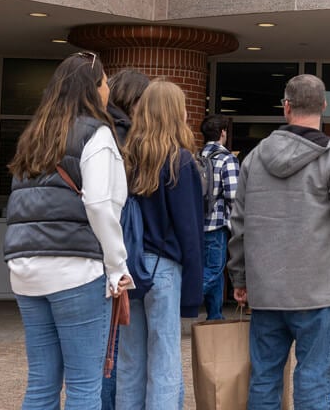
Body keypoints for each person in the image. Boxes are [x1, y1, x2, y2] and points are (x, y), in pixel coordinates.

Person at [228, 74, 330, 409]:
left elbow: (239, 223)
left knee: (264, 378)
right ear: (323, 105)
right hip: (318, 289)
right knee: (314, 380)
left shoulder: (255, 157)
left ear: (286, 107)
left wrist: (240, 277)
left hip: (266, 290)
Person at [4, 51, 132, 410]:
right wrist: (118, 266)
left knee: (41, 384)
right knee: (83, 387)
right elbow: (99, 204)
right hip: (75, 268)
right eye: (105, 81)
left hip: (25, 268)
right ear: (93, 88)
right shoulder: (98, 133)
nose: (109, 89)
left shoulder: (34, 134)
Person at [117, 80, 204, 409]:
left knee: (130, 362)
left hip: (127, 267)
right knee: (165, 361)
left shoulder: (126, 158)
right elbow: (190, 232)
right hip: (163, 270)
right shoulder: (179, 161)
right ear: (175, 113)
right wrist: (194, 294)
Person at [101, 68, 148, 410]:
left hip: (93, 250)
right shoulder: (125, 137)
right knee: (114, 345)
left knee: (102, 345)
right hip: (117, 250)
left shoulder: (94, 130)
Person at [199, 113, 240, 321]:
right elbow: (233, 195)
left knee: (213, 269)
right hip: (217, 225)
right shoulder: (227, 159)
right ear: (223, 133)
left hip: (197, 224)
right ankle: (181, 299)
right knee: (214, 270)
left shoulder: (196, 156)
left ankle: (215, 316)